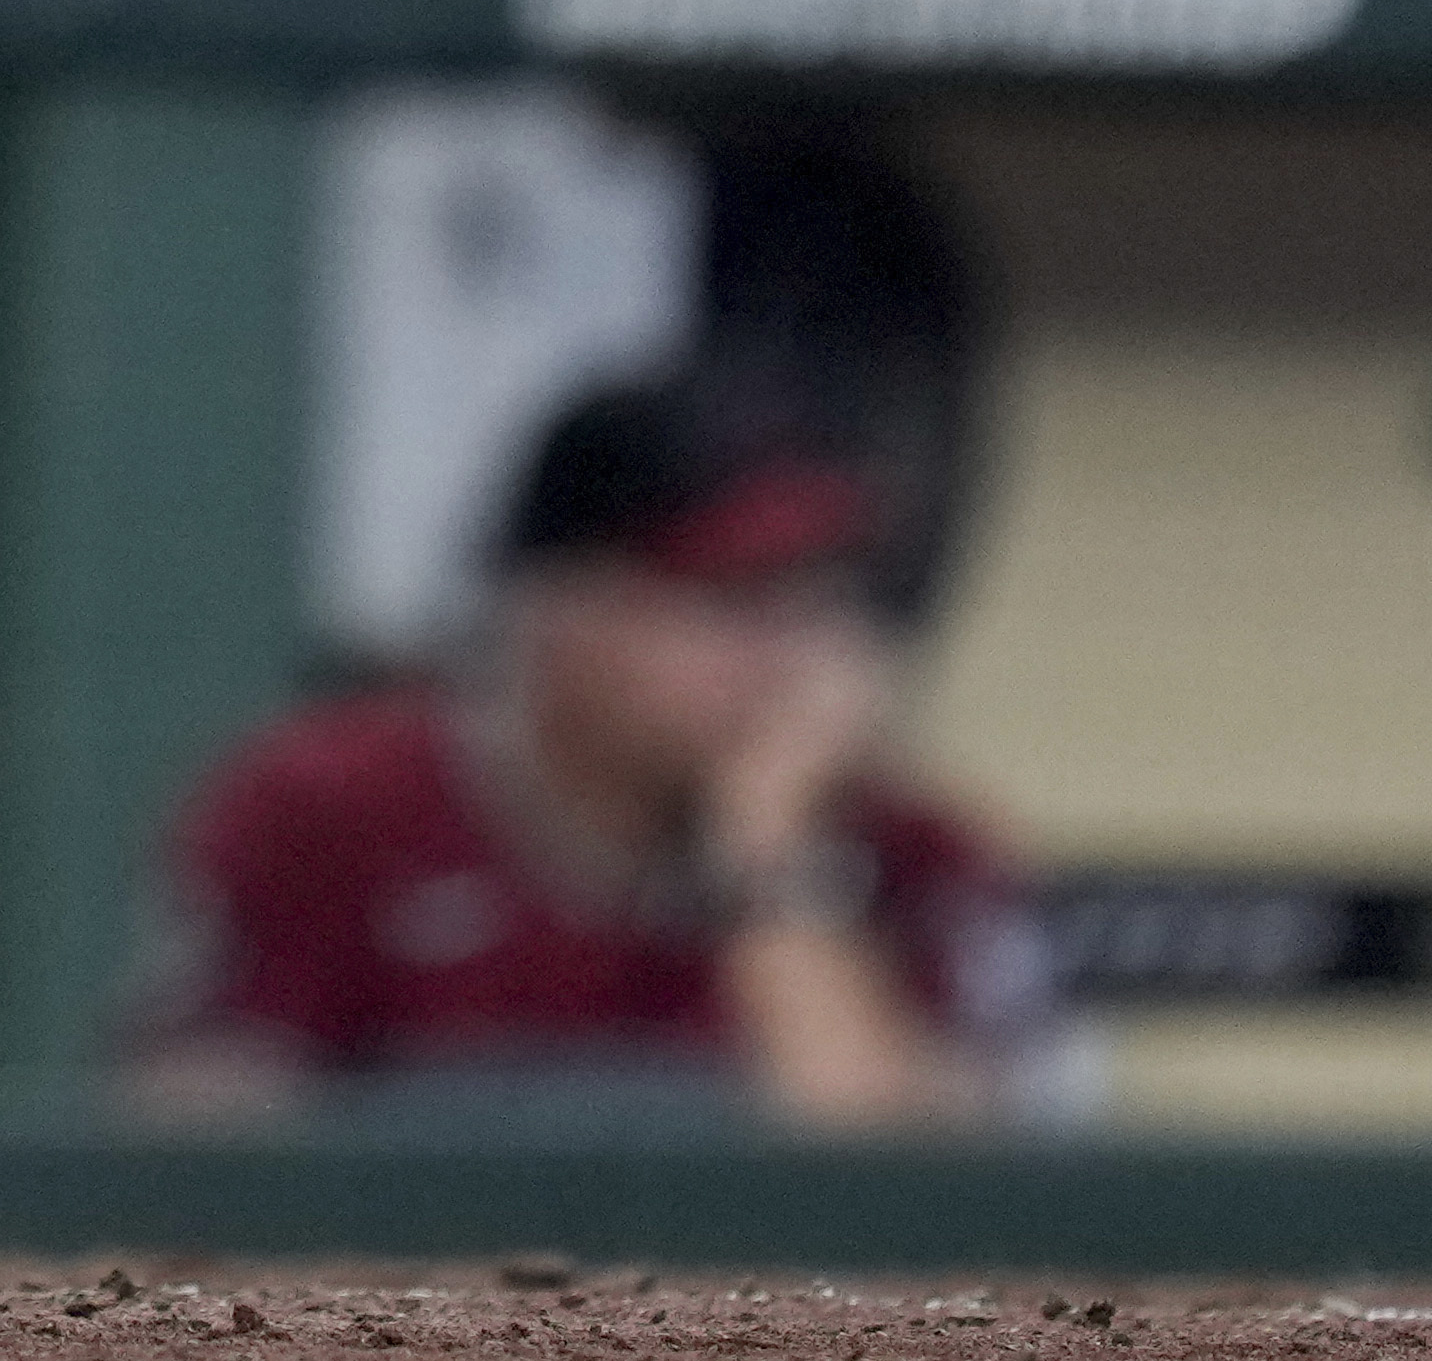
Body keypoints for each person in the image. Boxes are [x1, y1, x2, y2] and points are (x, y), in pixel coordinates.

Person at [133, 372, 1050, 1120]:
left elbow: (908, 1208)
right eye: (732, 601)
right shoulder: (329, 808)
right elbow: (194, 1153)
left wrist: (769, 851)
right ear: (551, 610)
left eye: (820, 603)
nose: (792, 660)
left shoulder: (913, 850)